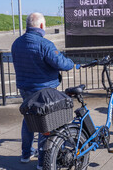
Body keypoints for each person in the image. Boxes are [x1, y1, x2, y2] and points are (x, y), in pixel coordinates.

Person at [12, 12, 74, 170]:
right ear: (40, 26)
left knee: (28, 120)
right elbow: (62, 63)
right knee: (44, 124)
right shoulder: (45, 44)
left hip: (25, 89)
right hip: (43, 90)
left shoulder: (16, 43)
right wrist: (72, 63)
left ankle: (26, 154)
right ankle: (42, 162)